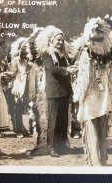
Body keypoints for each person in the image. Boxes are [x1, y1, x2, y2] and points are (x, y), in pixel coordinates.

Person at [73, 15, 112, 165]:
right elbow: (84, 76)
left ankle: (98, 161)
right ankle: (98, 160)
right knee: (95, 128)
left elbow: (87, 76)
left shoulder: (106, 55)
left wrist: (79, 96)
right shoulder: (88, 53)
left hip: (97, 94)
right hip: (94, 94)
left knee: (97, 128)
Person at [35, 25, 73, 157]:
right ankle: (51, 147)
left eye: (62, 40)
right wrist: (66, 70)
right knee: (53, 120)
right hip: (54, 91)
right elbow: (51, 69)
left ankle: (62, 146)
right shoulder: (46, 54)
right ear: (51, 41)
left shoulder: (63, 55)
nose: (61, 42)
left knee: (63, 120)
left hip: (64, 90)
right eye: (58, 40)